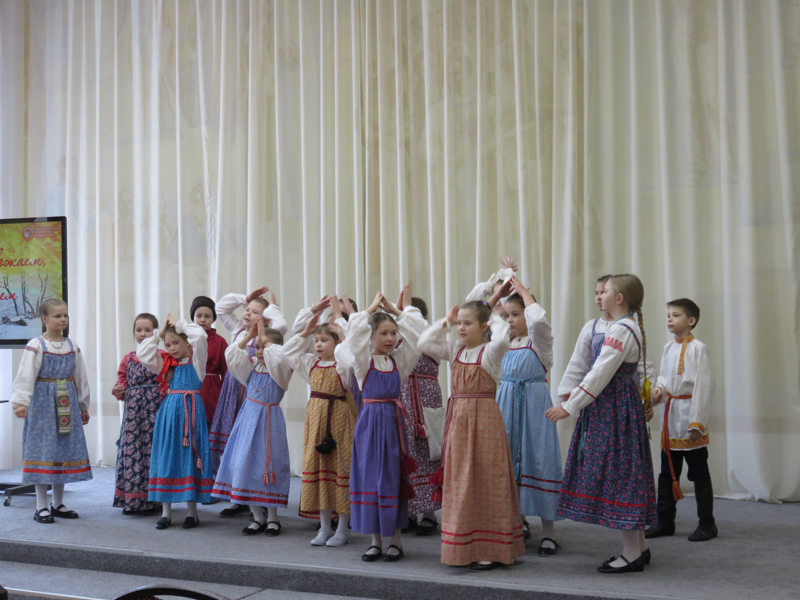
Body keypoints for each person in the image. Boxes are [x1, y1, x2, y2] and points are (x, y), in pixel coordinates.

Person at [547, 274, 656, 574]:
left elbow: (600, 372)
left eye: (604, 291)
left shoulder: (622, 329)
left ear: (619, 298)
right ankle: (639, 547)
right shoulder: (622, 327)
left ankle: (631, 554)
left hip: (615, 408)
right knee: (624, 472)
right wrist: (569, 394)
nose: (599, 296)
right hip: (610, 406)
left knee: (622, 475)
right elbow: (583, 366)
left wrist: (569, 406)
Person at [418, 287, 525, 572]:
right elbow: (424, 343)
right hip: (459, 423)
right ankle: (466, 545)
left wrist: (495, 315)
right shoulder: (456, 350)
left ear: (483, 326)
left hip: (485, 421)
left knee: (488, 481)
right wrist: (446, 322)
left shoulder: (490, 353)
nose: (461, 328)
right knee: (461, 481)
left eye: (468, 323)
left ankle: (491, 548)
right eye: (460, 323)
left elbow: (501, 339)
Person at [340, 287, 425, 563]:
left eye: (393, 333)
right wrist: (368, 311)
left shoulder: (399, 360)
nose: (390, 338)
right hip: (369, 426)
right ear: (372, 335)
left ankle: (396, 541)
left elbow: (418, 336)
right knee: (370, 478)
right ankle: (375, 541)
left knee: (392, 478)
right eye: (384, 333)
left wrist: (397, 311)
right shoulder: (363, 361)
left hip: (394, 426)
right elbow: (353, 337)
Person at [496, 276, 563, 555]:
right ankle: (517, 523)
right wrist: (498, 287)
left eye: (515, 314)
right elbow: (480, 314)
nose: (510, 320)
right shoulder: (502, 343)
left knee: (540, 460)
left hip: (534, 406)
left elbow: (539, 322)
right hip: (505, 404)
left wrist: (524, 292)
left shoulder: (539, 343)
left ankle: (549, 533)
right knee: (508, 460)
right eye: (506, 316)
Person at [283, 302, 357, 547]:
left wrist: (343, 336)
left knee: (341, 471)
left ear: (336, 344)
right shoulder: (311, 364)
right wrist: (305, 332)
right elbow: (288, 353)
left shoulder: (342, 367)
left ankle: (343, 529)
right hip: (316, 424)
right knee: (320, 472)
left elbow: (349, 358)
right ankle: (325, 527)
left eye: (324, 340)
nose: (318, 344)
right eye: (316, 340)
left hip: (339, 423)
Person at [11, 298, 92, 524]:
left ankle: (58, 503)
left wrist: (83, 405)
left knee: (62, 450)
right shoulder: (36, 345)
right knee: (43, 451)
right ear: (44, 319)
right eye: (58, 316)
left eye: (65, 315)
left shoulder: (72, 346)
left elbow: (80, 377)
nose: (63, 319)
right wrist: (21, 402)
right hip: (43, 406)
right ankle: (41, 505)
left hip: (66, 403)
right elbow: (25, 375)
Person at [210, 287, 287, 516]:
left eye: (255, 312)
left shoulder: (272, 338)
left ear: (265, 319)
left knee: (260, 451)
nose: (247, 314)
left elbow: (280, 328)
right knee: (238, 448)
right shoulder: (238, 332)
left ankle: (262, 499)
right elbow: (221, 308)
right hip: (236, 390)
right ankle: (240, 496)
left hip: (257, 395)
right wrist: (245, 298)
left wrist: (272, 309)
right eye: (247, 310)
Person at [647, 298, 717, 542]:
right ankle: (665, 522)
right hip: (671, 416)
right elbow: (665, 379)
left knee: (699, 473)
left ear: (691, 321)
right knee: (667, 473)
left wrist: (697, 421)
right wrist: (658, 391)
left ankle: (707, 524)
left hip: (690, 418)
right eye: (668, 315)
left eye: (675, 315)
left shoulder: (699, 349)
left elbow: (704, 386)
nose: (670, 319)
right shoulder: (668, 348)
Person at [139, 314, 212, 530]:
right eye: (168, 344)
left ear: (186, 342)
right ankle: (166, 512)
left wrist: (180, 325)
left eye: (176, 343)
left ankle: (192, 513)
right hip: (170, 416)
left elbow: (200, 336)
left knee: (190, 458)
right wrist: (159, 334)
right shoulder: (165, 365)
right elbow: (143, 354)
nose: (171, 348)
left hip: (192, 412)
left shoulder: (197, 361)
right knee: (167, 457)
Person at [397, 296, 443, 536]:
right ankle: (411, 510)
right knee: (408, 451)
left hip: (426, 396)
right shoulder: (400, 337)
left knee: (429, 449)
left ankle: (429, 514)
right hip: (405, 395)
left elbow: (418, 329)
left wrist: (403, 312)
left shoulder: (430, 334)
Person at [112, 313, 165, 514]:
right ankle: (132, 500)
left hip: (155, 409)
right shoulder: (129, 358)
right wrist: (119, 388)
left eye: (148, 330)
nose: (143, 334)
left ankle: (155, 501)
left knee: (153, 450)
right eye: (139, 330)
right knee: (132, 451)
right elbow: (122, 381)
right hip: (133, 413)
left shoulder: (162, 355)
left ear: (156, 332)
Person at [190, 296, 228, 429]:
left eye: (207, 316)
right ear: (193, 318)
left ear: (213, 319)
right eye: (198, 316)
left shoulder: (220, 341)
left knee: (209, 426)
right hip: (190, 388)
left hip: (212, 391)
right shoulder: (186, 340)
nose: (202, 320)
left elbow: (226, 372)